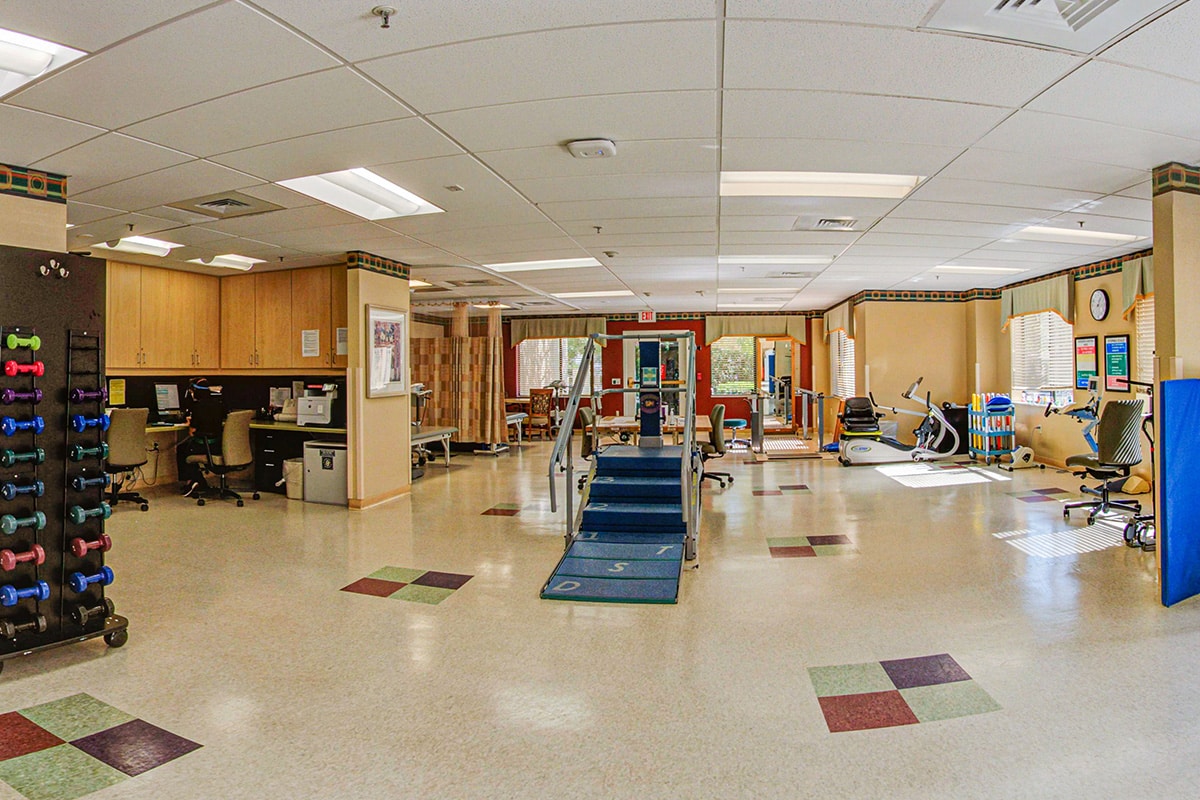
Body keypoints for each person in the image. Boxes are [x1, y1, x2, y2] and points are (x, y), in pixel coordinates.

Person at [176, 378, 224, 497]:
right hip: (217, 445)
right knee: (188, 447)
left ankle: (190, 482)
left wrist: (189, 423)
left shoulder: (197, 407)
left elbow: (192, 433)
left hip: (204, 446)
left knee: (182, 449)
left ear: (195, 392)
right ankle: (198, 480)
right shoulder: (218, 404)